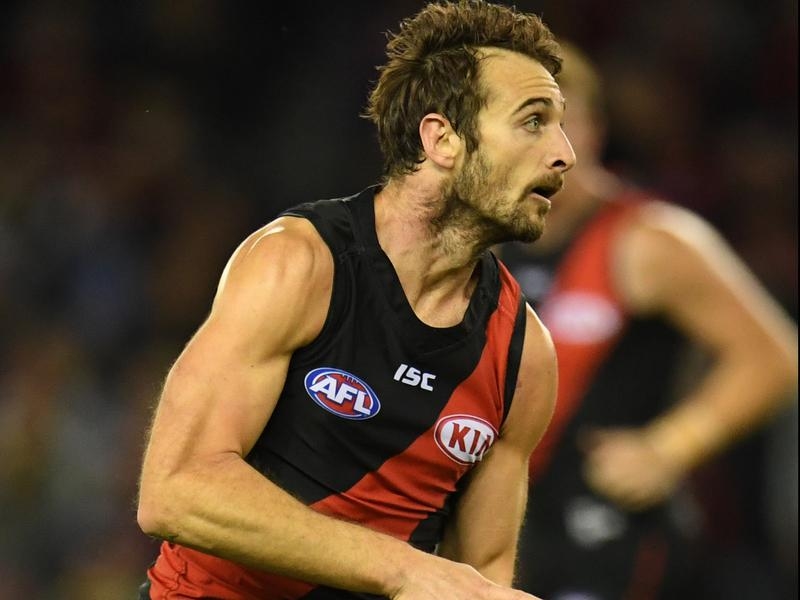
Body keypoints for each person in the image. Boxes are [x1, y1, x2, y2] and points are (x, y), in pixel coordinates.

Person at [135, 2, 576, 598]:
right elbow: (176, 490)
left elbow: (478, 578)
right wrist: (402, 568)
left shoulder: (523, 355)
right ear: (442, 139)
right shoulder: (300, 263)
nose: (565, 153)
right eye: (533, 121)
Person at [500, 43, 798, 599]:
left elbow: (773, 356)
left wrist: (670, 446)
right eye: (528, 123)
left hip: (611, 534)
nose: (549, 146)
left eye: (562, 121)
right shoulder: (478, 242)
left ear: (595, 130)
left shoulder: (648, 238)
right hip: (504, 525)